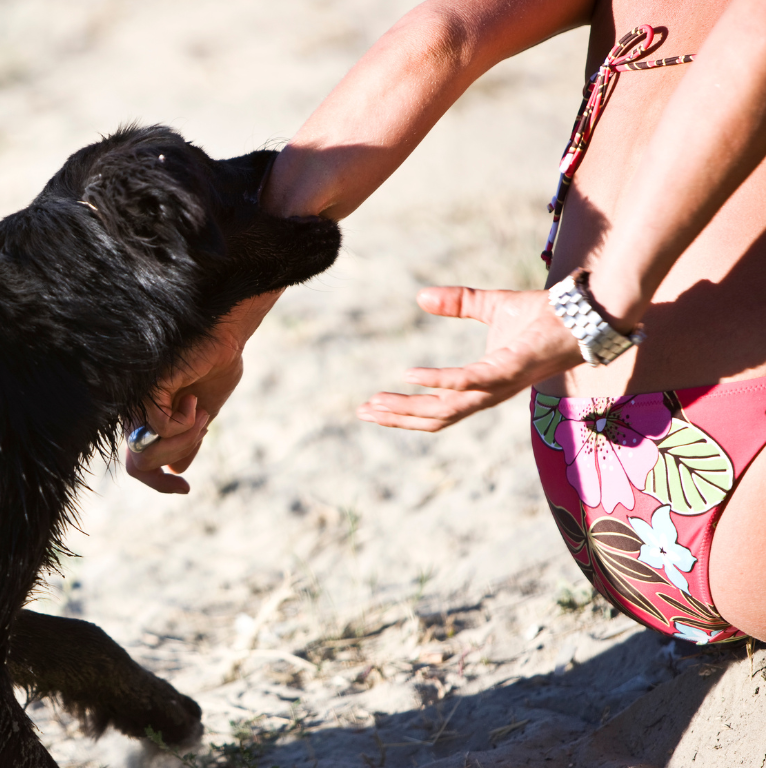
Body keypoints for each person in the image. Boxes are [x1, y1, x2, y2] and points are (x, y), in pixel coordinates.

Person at [126, 0, 766, 643]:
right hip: (735, 454)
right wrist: (600, 303)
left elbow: (445, 36)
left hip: (597, 489)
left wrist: (228, 321)